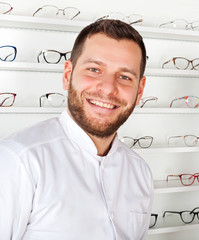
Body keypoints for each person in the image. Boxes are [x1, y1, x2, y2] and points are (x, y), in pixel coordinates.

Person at [0, 19, 153, 240]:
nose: (108, 88)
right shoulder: (18, 160)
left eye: (124, 77)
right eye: (94, 69)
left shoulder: (140, 172)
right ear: (67, 75)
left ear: (139, 91)